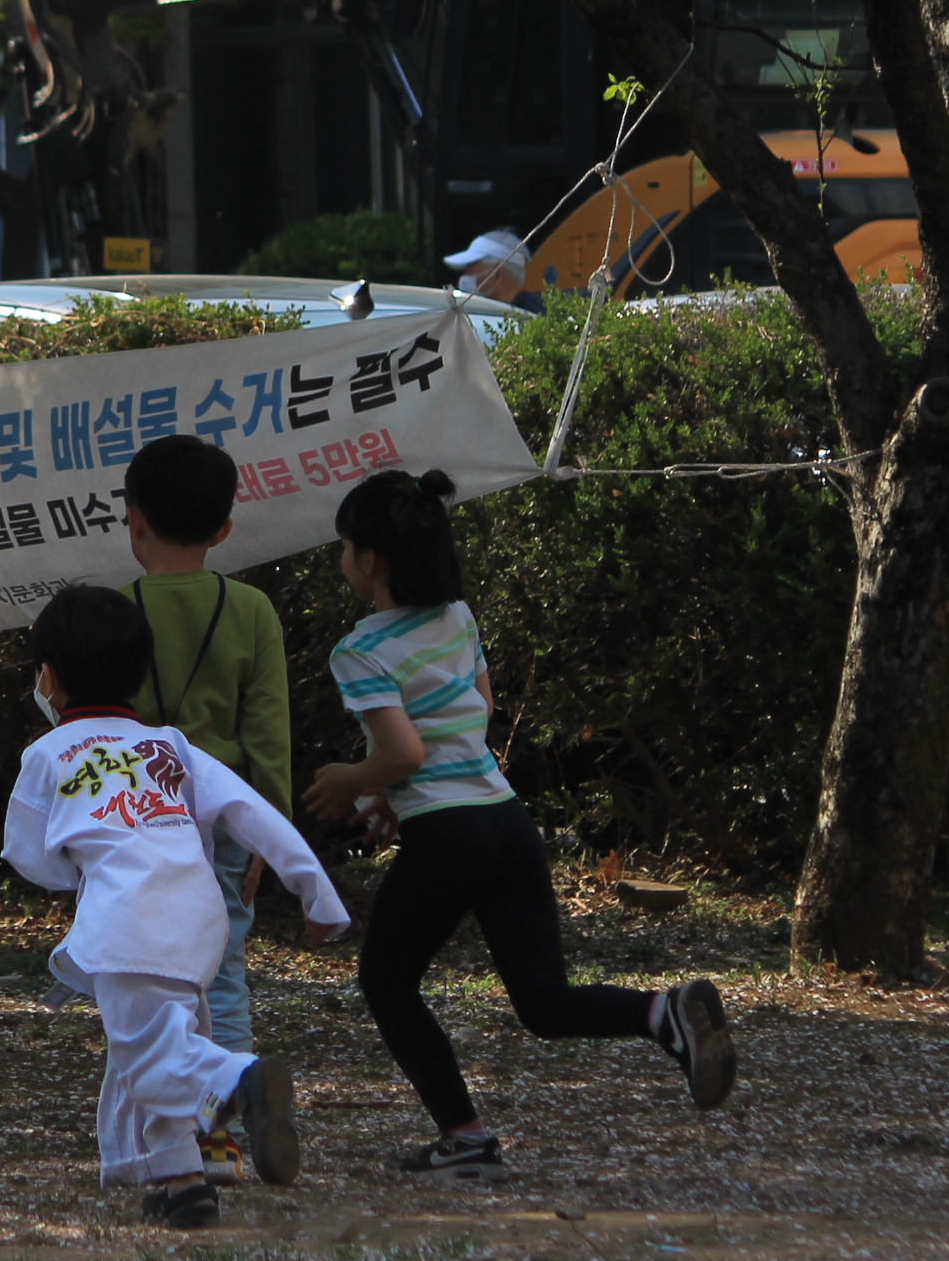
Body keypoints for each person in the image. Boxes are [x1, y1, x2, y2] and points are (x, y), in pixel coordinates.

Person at [301, 469, 734, 1180]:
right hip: (506, 825)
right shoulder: (458, 618)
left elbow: (405, 752)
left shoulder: (359, 650)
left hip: (449, 838)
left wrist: (352, 779)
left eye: (344, 547)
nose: (342, 559)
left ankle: (466, 1139)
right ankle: (663, 1013)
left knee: (387, 983)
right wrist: (393, 793)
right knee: (544, 1002)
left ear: (369, 560)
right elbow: (476, 712)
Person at [3, 586, 348, 1230]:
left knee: (154, 1058)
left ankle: (240, 1081)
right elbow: (253, 814)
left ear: (47, 678)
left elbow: (27, 854)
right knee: (162, 1045)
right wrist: (317, 893)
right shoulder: (172, 745)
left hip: (126, 924)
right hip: (199, 918)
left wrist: (75, 870)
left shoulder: (48, 753)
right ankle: (184, 1182)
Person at [122, 434, 291, 1080]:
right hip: (226, 815)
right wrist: (270, 829)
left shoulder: (116, 611)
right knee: (222, 969)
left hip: (138, 815)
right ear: (223, 529)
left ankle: (164, 1109)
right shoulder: (252, 610)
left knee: (144, 971)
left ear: (134, 520)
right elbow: (268, 732)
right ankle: (232, 1105)